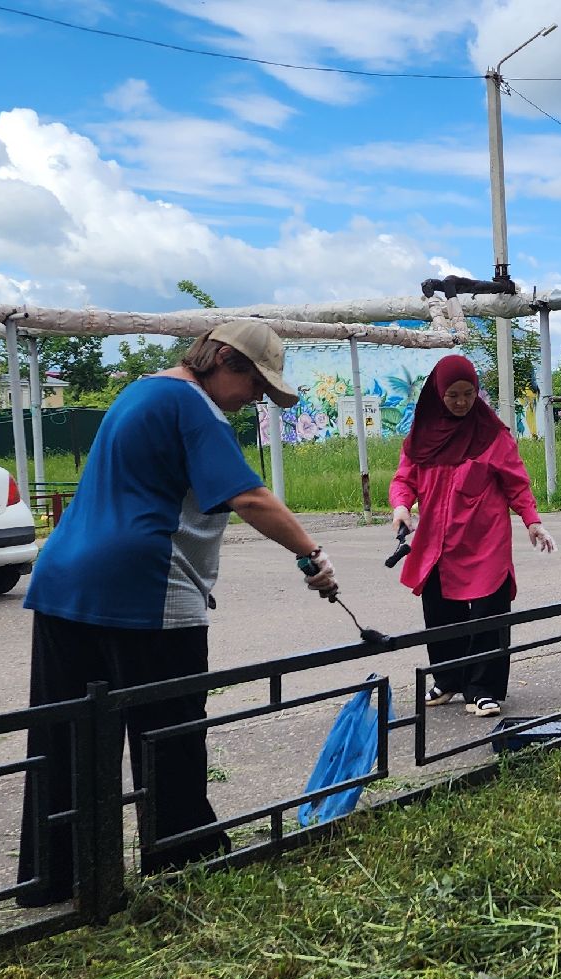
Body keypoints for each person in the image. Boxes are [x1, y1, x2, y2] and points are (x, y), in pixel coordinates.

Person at [17, 319, 337, 907]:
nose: (254, 402)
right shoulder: (195, 407)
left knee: (67, 737)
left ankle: (55, 875)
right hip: (145, 588)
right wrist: (312, 555)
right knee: (169, 731)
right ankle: (183, 856)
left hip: (64, 581)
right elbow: (248, 496)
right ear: (221, 361)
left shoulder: (140, 390)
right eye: (255, 387)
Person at [390, 353, 555, 719]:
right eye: (454, 395)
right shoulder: (421, 438)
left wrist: (532, 521)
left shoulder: (493, 436)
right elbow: (404, 480)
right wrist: (401, 506)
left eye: (469, 393)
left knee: (487, 614)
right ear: (438, 394)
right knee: (439, 611)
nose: (463, 402)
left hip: (484, 541)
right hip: (437, 541)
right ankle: (448, 680)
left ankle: (483, 689)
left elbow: (517, 484)